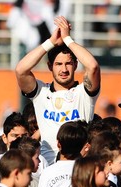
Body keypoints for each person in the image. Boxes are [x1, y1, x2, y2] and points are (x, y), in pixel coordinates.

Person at [15, 15, 100, 164]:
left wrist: (68, 39)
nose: (64, 69)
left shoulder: (83, 93)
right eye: (58, 64)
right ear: (49, 66)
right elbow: (21, 70)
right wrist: (51, 42)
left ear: (75, 65)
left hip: (77, 168)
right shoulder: (41, 92)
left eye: (68, 63)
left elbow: (93, 66)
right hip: (47, 169)